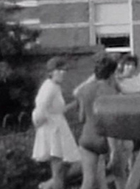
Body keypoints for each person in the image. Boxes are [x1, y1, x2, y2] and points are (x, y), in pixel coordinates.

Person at [75, 53, 125, 189]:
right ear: (112, 74)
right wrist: (114, 150)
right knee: (120, 176)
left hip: (87, 138)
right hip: (106, 140)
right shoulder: (111, 93)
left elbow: (81, 118)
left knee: (88, 181)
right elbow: (111, 124)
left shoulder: (84, 90)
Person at [32, 57, 81, 189]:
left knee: (63, 165)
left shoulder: (55, 87)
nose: (63, 73)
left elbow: (58, 110)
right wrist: (40, 123)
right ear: (52, 72)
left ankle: (48, 185)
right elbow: (40, 109)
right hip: (53, 130)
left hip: (58, 126)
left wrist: (75, 104)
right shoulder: (49, 87)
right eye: (60, 70)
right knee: (58, 167)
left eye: (64, 70)